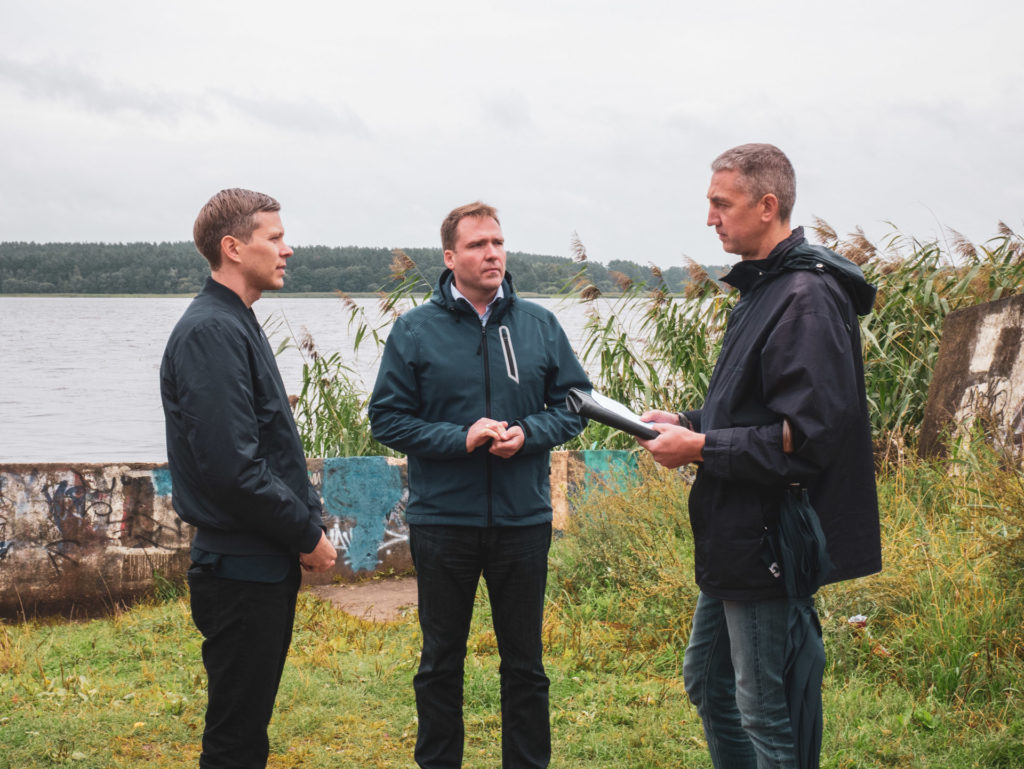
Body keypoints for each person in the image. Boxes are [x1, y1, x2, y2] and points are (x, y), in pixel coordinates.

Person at [637, 144, 882, 769]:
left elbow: (808, 438)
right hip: (734, 535)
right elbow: (756, 412)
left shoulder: (805, 296)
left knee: (765, 710)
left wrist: (699, 447)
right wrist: (689, 422)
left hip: (770, 536)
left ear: (767, 205)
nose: (711, 218)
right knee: (710, 684)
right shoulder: (766, 288)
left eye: (722, 204)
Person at [368, 201, 590, 769]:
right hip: (443, 522)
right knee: (441, 661)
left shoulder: (539, 323)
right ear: (450, 257)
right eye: (476, 245)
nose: (491, 253)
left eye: (497, 242)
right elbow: (388, 419)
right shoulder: (415, 330)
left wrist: (529, 432)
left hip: (522, 521)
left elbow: (573, 405)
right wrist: (459, 439)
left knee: (525, 664)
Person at [160, 188, 337, 769]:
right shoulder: (212, 331)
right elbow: (233, 469)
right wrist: (305, 534)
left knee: (245, 727)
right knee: (236, 737)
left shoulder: (235, 321)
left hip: (254, 563)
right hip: (240, 568)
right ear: (233, 248)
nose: (288, 249)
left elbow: (254, 443)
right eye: (275, 237)